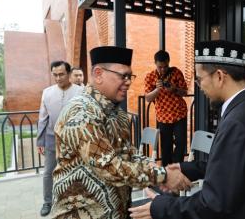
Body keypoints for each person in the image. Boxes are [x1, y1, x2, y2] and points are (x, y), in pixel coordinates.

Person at [130, 40, 245, 219]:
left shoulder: (237, 122)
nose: (199, 87)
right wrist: (188, 168)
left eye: (200, 79)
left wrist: (161, 207)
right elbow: (233, 166)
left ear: (219, 76)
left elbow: (214, 203)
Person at [50, 46, 191, 219]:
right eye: (122, 76)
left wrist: (154, 168)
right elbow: (109, 167)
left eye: (129, 76)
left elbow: (128, 152)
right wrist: (163, 176)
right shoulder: (82, 112)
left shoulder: (117, 113)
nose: (128, 82)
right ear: (99, 74)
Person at [36, 60, 83, 216]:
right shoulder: (47, 92)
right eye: (55, 75)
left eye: (61, 74)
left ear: (69, 74)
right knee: (49, 172)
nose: (58, 78)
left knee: (75, 171)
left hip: (75, 139)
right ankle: (47, 202)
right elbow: (42, 118)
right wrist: (40, 141)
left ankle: (73, 201)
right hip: (51, 139)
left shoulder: (80, 91)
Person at [144, 50, 188, 166]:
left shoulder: (176, 72)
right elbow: (148, 98)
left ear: (169, 62)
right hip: (163, 116)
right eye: (160, 67)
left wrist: (174, 89)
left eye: (165, 66)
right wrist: (157, 90)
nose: (163, 69)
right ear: (155, 63)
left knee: (180, 142)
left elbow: (185, 92)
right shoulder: (150, 77)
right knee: (166, 145)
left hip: (179, 113)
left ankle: (177, 168)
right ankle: (166, 171)